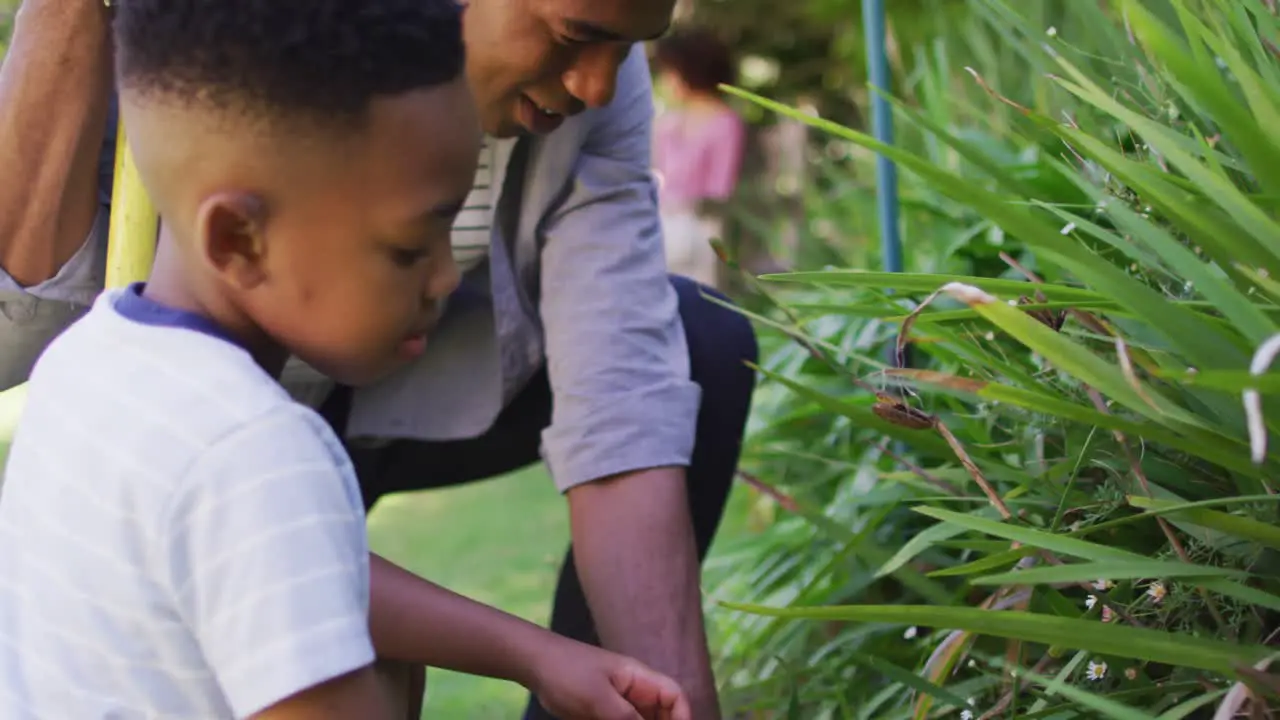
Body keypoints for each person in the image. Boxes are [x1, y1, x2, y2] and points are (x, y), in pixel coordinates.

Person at [0, 0, 759, 717]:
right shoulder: (257, 455)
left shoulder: (92, 372)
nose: (445, 279)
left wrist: (540, 655)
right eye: (409, 246)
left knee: (388, 653)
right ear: (237, 237)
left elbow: (293, 562)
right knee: (379, 667)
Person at [652, 28, 748, 289]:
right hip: (664, 225)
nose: (665, 81)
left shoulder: (725, 123)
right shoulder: (668, 123)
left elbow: (720, 188)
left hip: (701, 227)